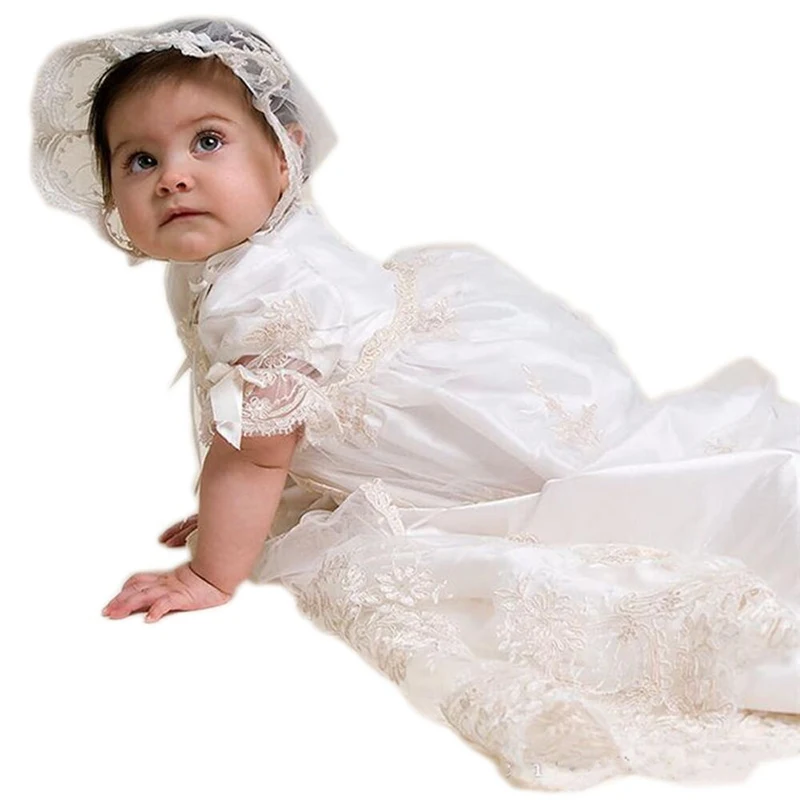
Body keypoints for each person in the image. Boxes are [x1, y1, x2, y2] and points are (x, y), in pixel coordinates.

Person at [30, 16, 800, 791]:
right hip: (449, 360)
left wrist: (211, 569)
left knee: (571, 512)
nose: (173, 177)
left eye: (207, 141)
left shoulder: (262, 299)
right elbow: (260, 424)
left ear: (285, 152)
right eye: (140, 159)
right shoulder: (244, 257)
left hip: (452, 427)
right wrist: (234, 504)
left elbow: (258, 452)